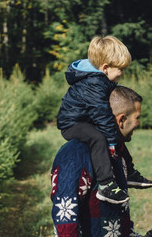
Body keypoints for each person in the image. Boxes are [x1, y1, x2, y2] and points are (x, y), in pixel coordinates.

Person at [56, 36, 152, 204]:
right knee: (99, 138)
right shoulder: (94, 83)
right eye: (120, 69)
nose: (122, 73)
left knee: (114, 134)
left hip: (85, 119)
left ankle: (129, 172)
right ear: (106, 68)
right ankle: (106, 184)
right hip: (72, 123)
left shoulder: (100, 79)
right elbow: (101, 113)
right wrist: (110, 143)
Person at [51, 86, 145, 237]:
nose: (139, 123)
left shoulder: (116, 153)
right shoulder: (76, 154)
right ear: (121, 120)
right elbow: (65, 218)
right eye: (137, 117)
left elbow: (119, 211)